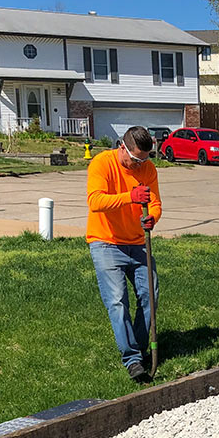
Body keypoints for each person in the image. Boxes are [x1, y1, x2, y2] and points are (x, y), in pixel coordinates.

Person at [87, 125, 162, 382]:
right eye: (135, 159)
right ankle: (132, 359)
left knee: (150, 294)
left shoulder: (148, 169)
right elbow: (95, 201)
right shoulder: (102, 164)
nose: (140, 164)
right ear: (122, 147)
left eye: (144, 159)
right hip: (105, 242)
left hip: (138, 242)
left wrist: (152, 217)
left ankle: (139, 348)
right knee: (118, 301)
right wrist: (130, 196)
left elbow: (155, 203)